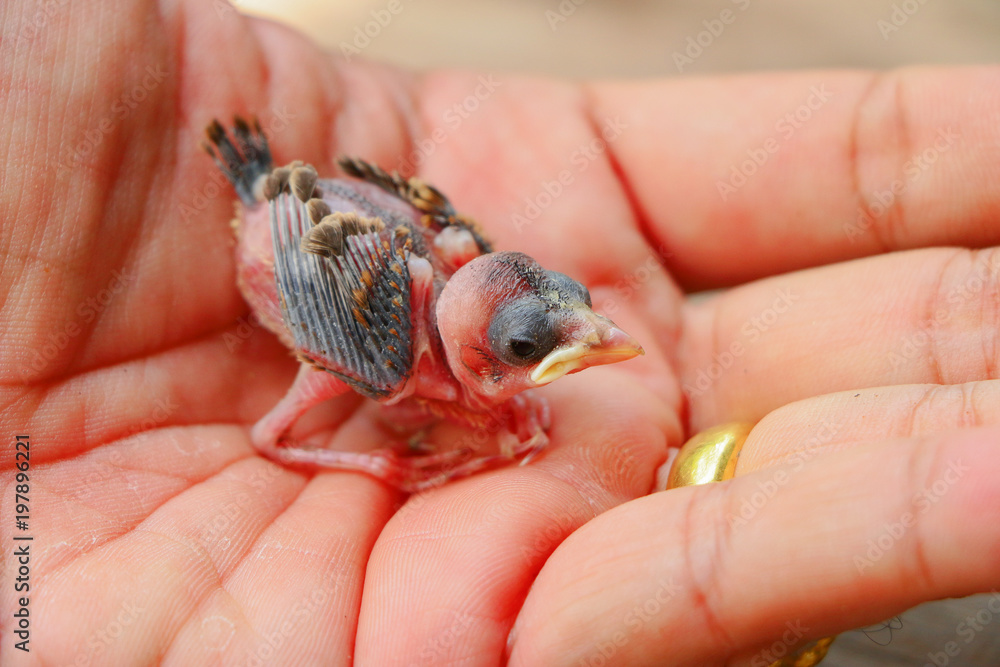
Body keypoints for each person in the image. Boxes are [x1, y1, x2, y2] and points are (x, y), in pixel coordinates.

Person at [3, 1, 999, 665]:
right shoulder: (384, 355)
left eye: (561, 323)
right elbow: (293, 400)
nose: (574, 351)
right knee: (349, 392)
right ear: (483, 351)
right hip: (281, 242)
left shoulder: (463, 257)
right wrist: (384, 465)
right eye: (530, 349)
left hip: (352, 235)